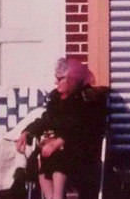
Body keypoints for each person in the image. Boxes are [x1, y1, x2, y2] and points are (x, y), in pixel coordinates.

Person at [16, 58, 107, 199]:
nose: (56, 83)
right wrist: (28, 132)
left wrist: (60, 141)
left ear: (72, 79)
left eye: (60, 79)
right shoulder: (57, 99)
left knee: (58, 154)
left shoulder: (88, 99)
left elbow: (87, 128)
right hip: (59, 150)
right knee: (42, 153)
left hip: (82, 151)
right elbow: (46, 119)